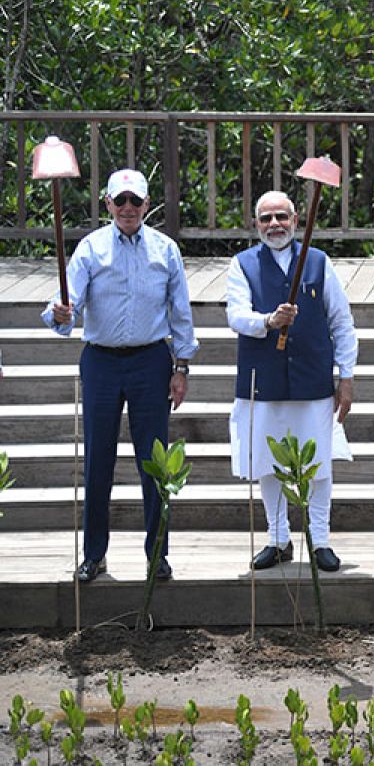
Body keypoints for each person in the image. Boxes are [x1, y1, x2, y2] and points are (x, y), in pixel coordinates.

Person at [42, 168, 197, 583]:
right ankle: (95, 553)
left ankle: (157, 554)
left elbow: (180, 312)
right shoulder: (90, 249)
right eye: (120, 200)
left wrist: (181, 366)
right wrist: (59, 313)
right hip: (101, 360)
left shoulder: (165, 250)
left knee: (156, 462)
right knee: (98, 461)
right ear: (107, 204)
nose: (128, 208)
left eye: (136, 201)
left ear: (148, 205)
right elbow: (66, 306)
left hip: (151, 360)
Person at [227, 190, 358, 573]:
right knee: (267, 462)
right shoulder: (242, 264)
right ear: (256, 224)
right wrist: (267, 321)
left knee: (318, 462)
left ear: (296, 220)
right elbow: (236, 315)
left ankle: (320, 540)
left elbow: (341, 322)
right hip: (262, 379)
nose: (274, 225)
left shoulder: (317, 263)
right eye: (266, 218)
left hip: (312, 377)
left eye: (281, 217)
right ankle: (278, 538)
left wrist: (345, 377)